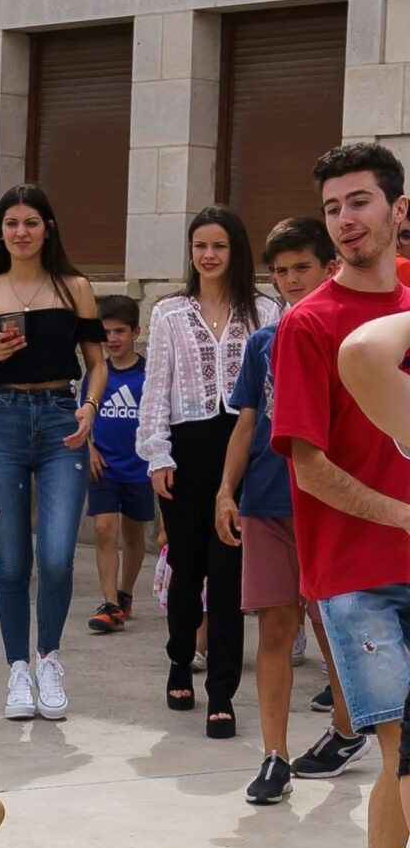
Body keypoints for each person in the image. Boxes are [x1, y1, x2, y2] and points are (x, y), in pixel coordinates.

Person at [282, 143, 410, 848]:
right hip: (355, 572)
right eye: (333, 208)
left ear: (399, 208)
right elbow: (308, 465)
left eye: (359, 202)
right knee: (401, 742)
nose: (346, 220)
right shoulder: (308, 323)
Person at [0, 184, 105, 723]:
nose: (20, 232)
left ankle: (49, 658)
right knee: (12, 563)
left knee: (58, 557)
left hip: (64, 418)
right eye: (11, 223)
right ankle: (17, 668)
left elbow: (97, 362)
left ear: (48, 228)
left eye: (31, 222)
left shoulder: (75, 287)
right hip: (4, 422)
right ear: (0, 231)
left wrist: (90, 407)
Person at [228, 219, 364, 784]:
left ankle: (348, 727)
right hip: (265, 501)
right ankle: (274, 755)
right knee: (274, 629)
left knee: (334, 626)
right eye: (279, 271)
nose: (289, 280)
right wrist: (223, 490)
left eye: (300, 267)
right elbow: (247, 423)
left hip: (328, 507)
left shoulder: (354, 339)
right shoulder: (263, 343)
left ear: (330, 266)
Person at [140, 206, 278, 738]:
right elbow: (157, 386)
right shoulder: (170, 311)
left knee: (229, 575)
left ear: (235, 251)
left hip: (244, 450)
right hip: (186, 451)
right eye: (200, 245)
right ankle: (180, 662)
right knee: (186, 567)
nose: (209, 255)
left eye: (219, 245)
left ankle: (222, 691)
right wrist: (156, 453)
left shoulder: (264, 310)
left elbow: (273, 388)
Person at [85, 296, 155, 636]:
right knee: (104, 529)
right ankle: (109, 603)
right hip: (104, 467)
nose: (112, 339)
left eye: (120, 331)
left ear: (135, 332)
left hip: (139, 468)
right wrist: (89, 449)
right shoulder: (96, 374)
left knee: (133, 532)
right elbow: (81, 416)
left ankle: (125, 593)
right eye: (106, 332)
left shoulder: (149, 375)